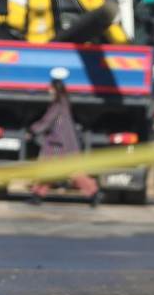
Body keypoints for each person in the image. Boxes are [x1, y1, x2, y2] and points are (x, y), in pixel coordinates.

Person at [27, 78, 101, 206]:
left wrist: (32, 130)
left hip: (59, 145)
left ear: (56, 89)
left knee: (54, 170)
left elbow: (47, 121)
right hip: (64, 144)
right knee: (64, 172)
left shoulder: (58, 105)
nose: (48, 90)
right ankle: (37, 195)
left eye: (50, 88)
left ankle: (94, 193)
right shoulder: (64, 103)